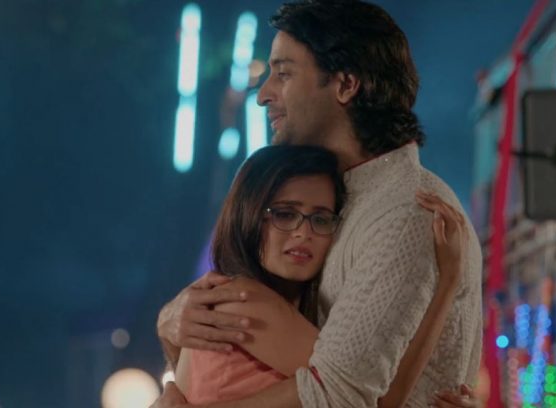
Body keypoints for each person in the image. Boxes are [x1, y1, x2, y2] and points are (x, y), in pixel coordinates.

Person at [155, 1, 483, 407]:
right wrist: (170, 326)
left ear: (345, 84)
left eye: (284, 73)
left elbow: (340, 393)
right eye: (285, 215)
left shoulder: (406, 211)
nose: (263, 96)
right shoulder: (350, 199)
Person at [172, 144, 466, 406]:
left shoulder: (272, 306)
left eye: (321, 219)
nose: (304, 232)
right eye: (285, 214)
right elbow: (374, 401)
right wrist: (448, 281)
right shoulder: (242, 301)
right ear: (248, 216)